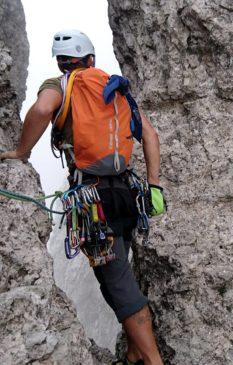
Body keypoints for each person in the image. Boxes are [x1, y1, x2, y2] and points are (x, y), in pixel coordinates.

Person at [0, 30, 164, 365]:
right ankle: (134, 350)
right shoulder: (115, 87)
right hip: (128, 196)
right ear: (90, 58)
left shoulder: (60, 85)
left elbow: (43, 109)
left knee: (116, 279)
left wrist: (21, 150)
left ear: (62, 62)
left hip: (93, 203)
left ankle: (152, 359)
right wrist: (154, 185)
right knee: (112, 273)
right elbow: (148, 133)